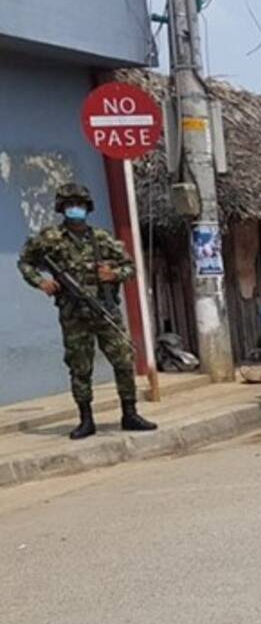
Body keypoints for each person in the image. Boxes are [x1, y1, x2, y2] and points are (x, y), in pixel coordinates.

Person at [17, 183, 157, 440]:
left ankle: (130, 413)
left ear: (87, 208)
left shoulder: (101, 239)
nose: (75, 209)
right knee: (80, 367)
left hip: (104, 310)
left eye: (79, 204)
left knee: (123, 360)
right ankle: (86, 419)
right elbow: (25, 262)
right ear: (62, 208)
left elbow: (130, 266)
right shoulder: (50, 239)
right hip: (73, 314)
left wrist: (113, 273)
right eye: (70, 204)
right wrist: (41, 282)